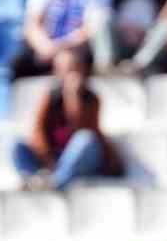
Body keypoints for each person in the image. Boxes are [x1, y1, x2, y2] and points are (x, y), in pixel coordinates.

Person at [12, 49, 121, 191]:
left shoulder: (91, 99)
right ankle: (32, 179)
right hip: (52, 157)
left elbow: (84, 130)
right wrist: (48, 159)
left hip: (79, 158)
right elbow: (38, 131)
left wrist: (73, 99)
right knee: (17, 145)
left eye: (75, 67)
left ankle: (55, 183)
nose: (72, 73)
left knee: (85, 139)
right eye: (67, 69)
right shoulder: (50, 97)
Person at [96, 0, 165, 69]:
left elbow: (161, 23)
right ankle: (105, 63)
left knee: (165, 26)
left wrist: (141, 32)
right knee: (100, 16)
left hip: (145, 44)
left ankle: (138, 65)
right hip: (121, 43)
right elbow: (110, 19)